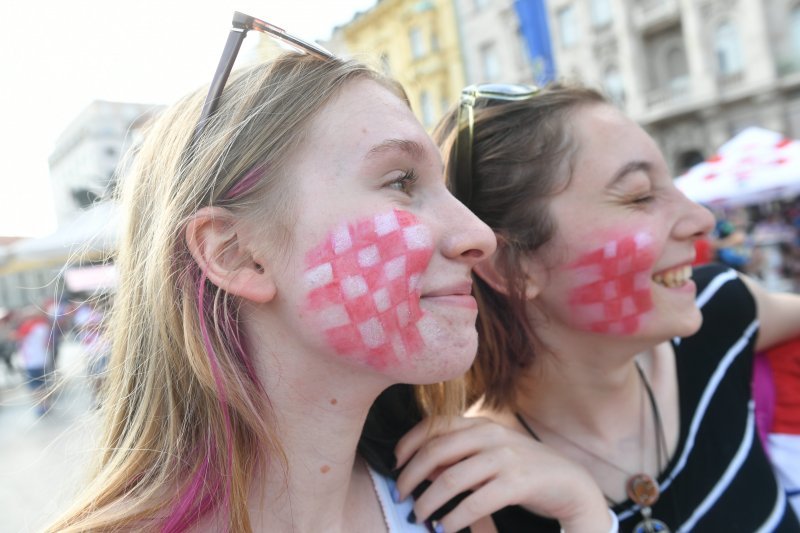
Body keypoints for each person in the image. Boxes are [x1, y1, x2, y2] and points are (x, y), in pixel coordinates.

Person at [47, 14, 612, 533]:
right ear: (236, 254)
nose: (479, 236)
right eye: (400, 182)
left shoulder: (453, 508)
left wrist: (586, 515)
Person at [387, 82, 800, 532]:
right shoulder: (476, 490)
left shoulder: (722, 309)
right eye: (640, 195)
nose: (701, 220)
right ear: (513, 267)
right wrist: (584, 516)